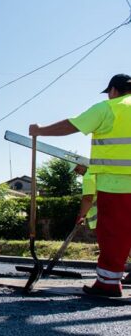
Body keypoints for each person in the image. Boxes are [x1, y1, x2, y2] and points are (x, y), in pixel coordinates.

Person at [29, 73, 131, 297]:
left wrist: (40, 130)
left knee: (115, 233)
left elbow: (72, 125)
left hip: (117, 183)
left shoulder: (109, 108)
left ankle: (108, 284)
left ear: (113, 90)